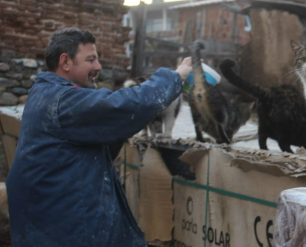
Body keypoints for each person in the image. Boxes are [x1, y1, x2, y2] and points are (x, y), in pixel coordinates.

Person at [6, 27, 192, 247]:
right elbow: (121, 106)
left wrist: (127, 122)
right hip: (65, 234)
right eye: (91, 60)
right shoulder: (63, 101)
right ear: (65, 62)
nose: (98, 67)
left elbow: (104, 133)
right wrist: (175, 78)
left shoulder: (46, 94)